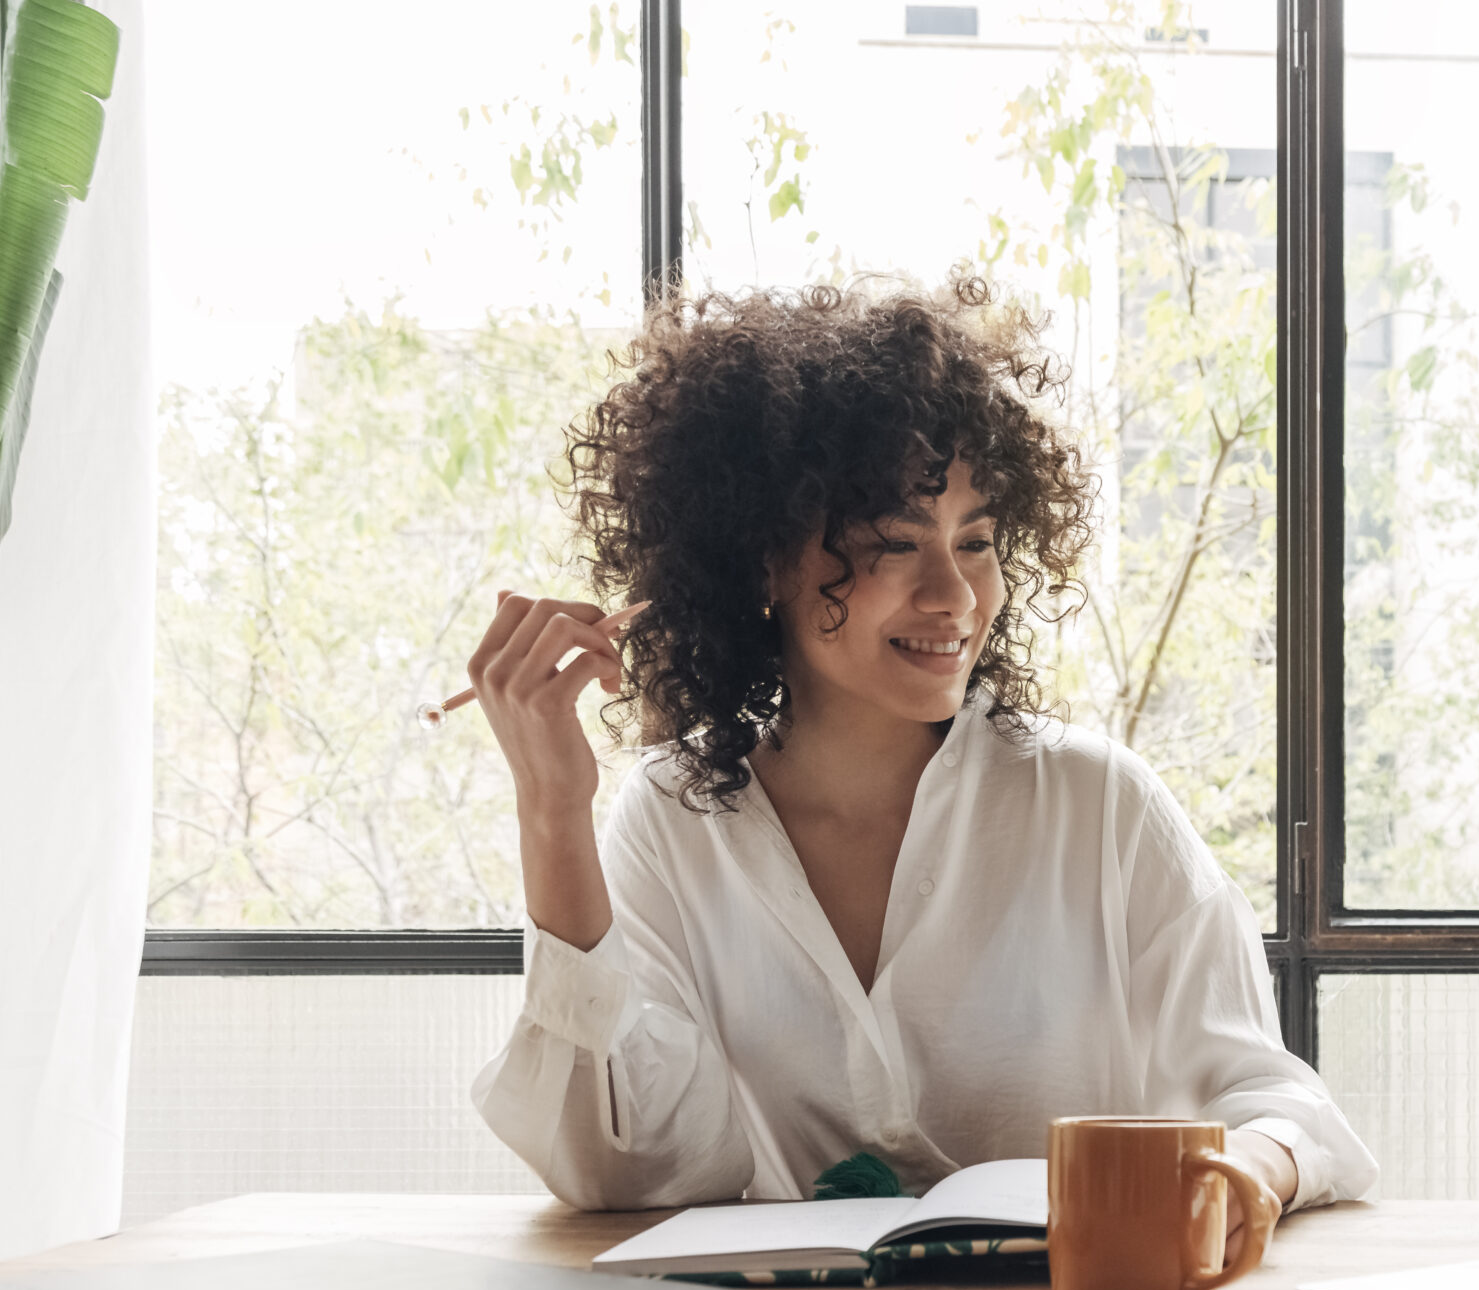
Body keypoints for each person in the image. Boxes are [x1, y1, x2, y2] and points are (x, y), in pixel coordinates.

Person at [468, 274, 1377, 1236]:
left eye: (976, 541)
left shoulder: (1096, 805)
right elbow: (627, 1168)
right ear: (764, 561)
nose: (954, 596)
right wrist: (551, 811)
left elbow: (1275, 1103)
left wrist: (1246, 1172)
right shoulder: (673, 819)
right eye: (895, 544)